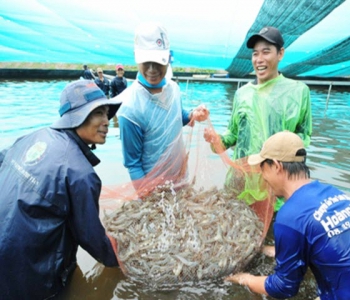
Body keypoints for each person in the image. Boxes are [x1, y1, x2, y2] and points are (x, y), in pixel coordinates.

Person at [226, 131, 350, 299]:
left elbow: (282, 288)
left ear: (277, 166)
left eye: (263, 168)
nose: (262, 176)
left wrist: (244, 278)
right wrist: (268, 250)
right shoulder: (334, 194)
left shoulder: (290, 216)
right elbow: (325, 240)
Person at [0, 80, 122, 299]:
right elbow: (91, 237)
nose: (107, 121)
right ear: (76, 117)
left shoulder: (32, 137)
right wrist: (121, 262)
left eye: (107, 114)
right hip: (30, 278)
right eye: (98, 114)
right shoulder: (81, 173)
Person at [203, 26, 312, 224]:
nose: (259, 59)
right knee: (236, 234)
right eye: (255, 54)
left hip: (276, 187)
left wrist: (288, 146)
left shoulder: (299, 91)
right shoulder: (242, 94)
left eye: (266, 52)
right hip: (242, 183)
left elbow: (304, 138)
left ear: (280, 54)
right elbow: (232, 135)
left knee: (274, 238)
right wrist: (215, 139)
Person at [116, 22, 208, 193]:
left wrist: (192, 115)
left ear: (168, 58)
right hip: (153, 189)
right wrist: (147, 198)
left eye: (158, 62)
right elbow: (133, 164)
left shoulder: (173, 88)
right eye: (146, 62)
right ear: (137, 58)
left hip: (181, 176)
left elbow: (175, 117)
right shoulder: (130, 110)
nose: (152, 70)